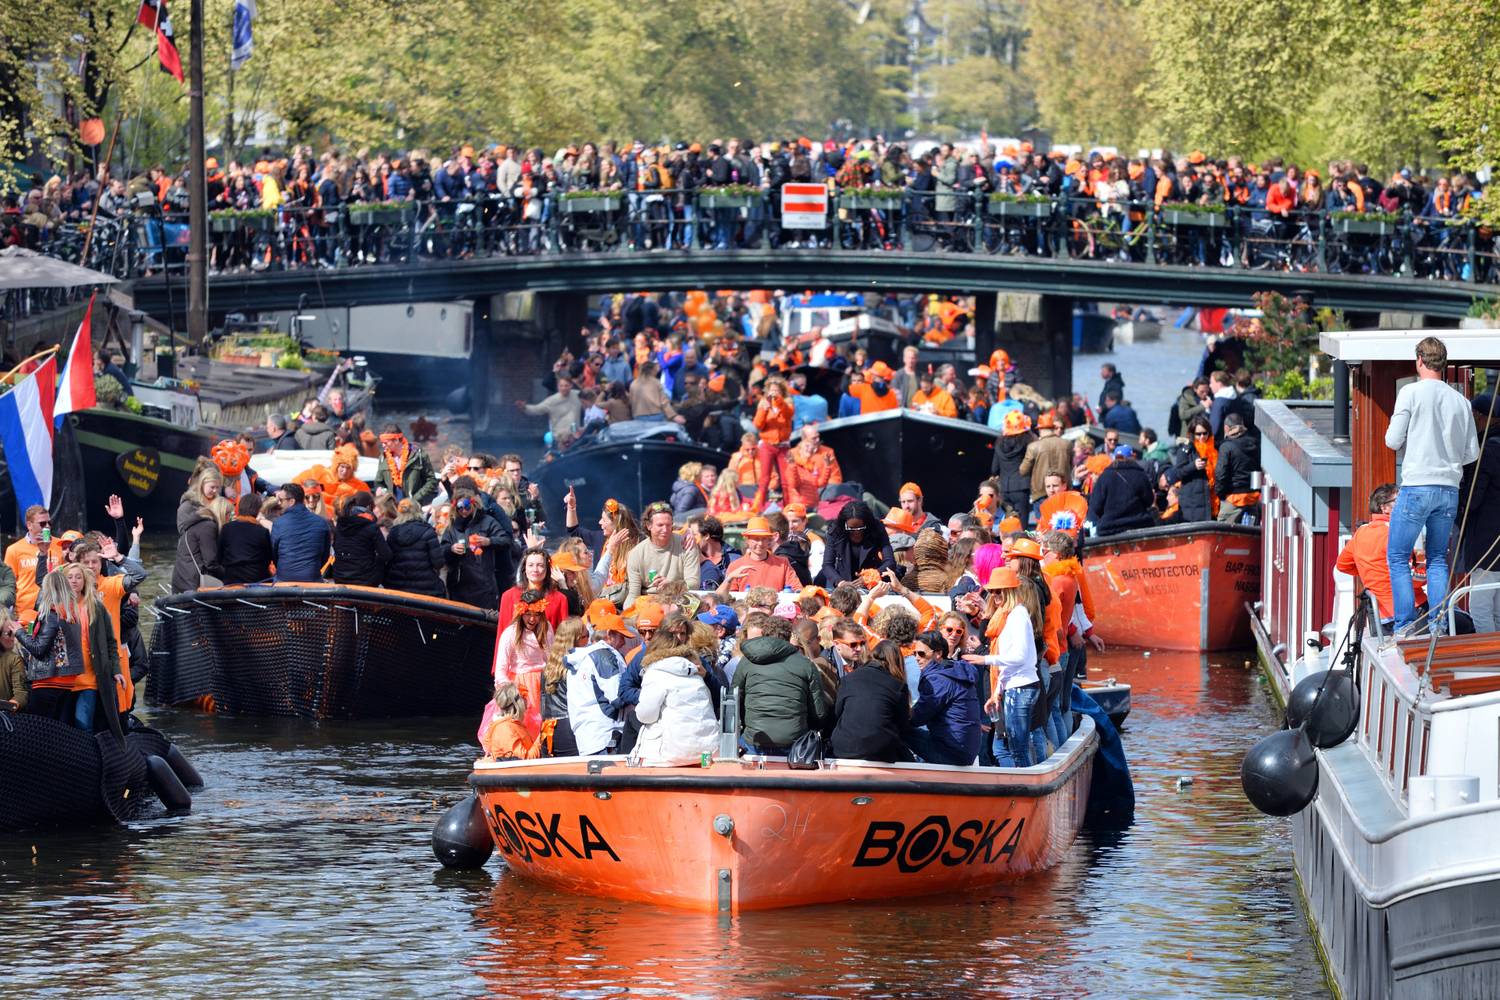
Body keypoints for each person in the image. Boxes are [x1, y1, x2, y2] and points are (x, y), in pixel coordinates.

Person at [1386, 336, 1479, 633]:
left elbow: (1392, 440)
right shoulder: (1461, 402)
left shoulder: (1410, 393)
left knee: (1398, 557)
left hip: (1417, 485)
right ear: (1444, 364)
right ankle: (1438, 627)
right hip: (1449, 489)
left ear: (1419, 361)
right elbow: (1471, 453)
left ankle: (1404, 627)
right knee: (1438, 559)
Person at [8, 565, 123, 736]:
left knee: (49, 727)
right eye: (70, 577)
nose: (74, 581)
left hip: (58, 678)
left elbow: (38, 648)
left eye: (78, 577)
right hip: (67, 679)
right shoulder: (68, 613)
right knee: (61, 726)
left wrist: (19, 632)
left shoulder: (57, 614)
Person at [970, 566, 1046, 767]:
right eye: (992, 591)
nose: (994, 596)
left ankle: (1024, 783)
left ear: (1010, 591)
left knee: (1018, 748)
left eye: (999, 591)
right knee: (1011, 747)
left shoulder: (1018, 615)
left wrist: (985, 660)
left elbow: (1019, 657)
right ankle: (1021, 781)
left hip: (1021, 688)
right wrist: (996, 693)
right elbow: (1009, 663)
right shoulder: (1008, 615)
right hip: (1014, 687)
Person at [734, 613, 830, 754]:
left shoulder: (746, 661)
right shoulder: (805, 664)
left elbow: (734, 701)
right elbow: (819, 713)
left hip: (754, 740)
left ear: (764, 634)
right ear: (789, 636)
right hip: (793, 744)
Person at [1336, 484, 1425, 627]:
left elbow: (1342, 565)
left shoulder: (1361, 532)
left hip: (1380, 616)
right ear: (1384, 508)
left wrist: (1373, 572)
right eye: (1400, 500)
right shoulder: (1395, 532)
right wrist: (1431, 571)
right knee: (1461, 625)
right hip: (1410, 611)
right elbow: (1411, 579)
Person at [634, 629, 721, 765]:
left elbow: (646, 715)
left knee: (635, 721)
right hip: (708, 751)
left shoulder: (655, 673)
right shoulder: (695, 671)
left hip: (672, 753)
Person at [904, 630, 982, 765]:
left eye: (921, 654)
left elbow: (918, 716)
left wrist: (895, 716)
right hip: (964, 750)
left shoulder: (938, 679)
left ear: (938, 654)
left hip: (951, 751)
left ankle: (902, 775)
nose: (916, 658)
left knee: (896, 728)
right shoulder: (954, 671)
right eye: (914, 653)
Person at [828, 638, 910, 762]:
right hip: (880, 751)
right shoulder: (898, 686)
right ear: (897, 662)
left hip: (843, 748)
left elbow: (837, 713)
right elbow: (903, 725)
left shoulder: (849, 679)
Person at [1461, 394, 1500, 633]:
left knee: (1480, 607)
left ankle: (1491, 653)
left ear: (1481, 417)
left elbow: (1473, 499)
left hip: (1486, 542)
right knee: (1497, 609)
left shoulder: (1486, 451)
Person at [567, 614, 631, 754]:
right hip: (606, 736)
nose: (624, 643)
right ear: (609, 634)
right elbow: (617, 697)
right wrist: (637, 693)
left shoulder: (581, 658)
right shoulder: (603, 655)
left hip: (587, 738)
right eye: (621, 637)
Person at [496, 588, 552, 737]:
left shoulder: (547, 629)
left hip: (543, 684)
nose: (532, 619)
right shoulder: (510, 633)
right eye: (528, 614)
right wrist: (511, 693)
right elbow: (500, 670)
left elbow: (551, 660)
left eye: (536, 615)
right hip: (520, 687)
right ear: (521, 613)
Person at [441, 489, 509, 609]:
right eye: (460, 507)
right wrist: (451, 549)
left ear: (473, 504)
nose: (464, 510)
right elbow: (442, 550)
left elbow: (506, 540)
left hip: (483, 582)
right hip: (460, 584)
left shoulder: (487, 521)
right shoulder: (452, 526)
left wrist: (489, 541)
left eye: (467, 507)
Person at [623, 501, 701, 604]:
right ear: (648, 525)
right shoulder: (636, 554)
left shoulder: (687, 545)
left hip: (679, 601)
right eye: (660, 525)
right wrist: (628, 612)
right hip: (649, 603)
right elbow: (634, 594)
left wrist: (672, 585)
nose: (665, 529)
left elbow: (694, 584)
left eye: (668, 525)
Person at [817, 501, 897, 587]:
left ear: (867, 523)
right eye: (851, 529)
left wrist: (871, 576)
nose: (856, 532)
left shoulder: (877, 528)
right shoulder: (835, 531)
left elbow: (890, 561)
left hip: (872, 583)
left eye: (861, 528)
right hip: (843, 581)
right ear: (844, 525)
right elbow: (827, 565)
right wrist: (840, 582)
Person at [540, 618, 589, 756]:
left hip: (548, 728)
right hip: (571, 727)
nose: (589, 641)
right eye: (586, 636)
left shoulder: (547, 669)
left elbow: (542, 704)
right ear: (575, 640)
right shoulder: (577, 668)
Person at [1087, 446, 1158, 535]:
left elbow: (1096, 506)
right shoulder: (1140, 475)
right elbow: (1148, 501)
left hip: (1110, 529)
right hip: (1139, 526)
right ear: (1132, 457)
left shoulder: (1105, 476)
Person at [718, 516, 800, 593]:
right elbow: (728, 597)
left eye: (764, 539)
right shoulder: (735, 566)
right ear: (747, 540)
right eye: (756, 539)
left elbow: (797, 590)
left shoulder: (783, 564)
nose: (760, 543)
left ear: (769, 540)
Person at [383, 499, 446, 597]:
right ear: (418, 511)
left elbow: (388, 560)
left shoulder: (393, 533)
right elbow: (438, 563)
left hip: (397, 587)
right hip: (426, 588)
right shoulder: (428, 531)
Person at [271, 483, 332, 582]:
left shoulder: (279, 523)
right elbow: (325, 554)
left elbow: (274, 553)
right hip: (312, 578)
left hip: (284, 579)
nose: (279, 503)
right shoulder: (321, 522)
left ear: (291, 501)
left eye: (281, 500)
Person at [5, 505, 55, 624]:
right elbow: (8, 584)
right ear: (29, 525)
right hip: (25, 616)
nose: (47, 526)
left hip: (54, 614)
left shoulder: (59, 545)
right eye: (42, 523)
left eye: (49, 523)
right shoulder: (14, 550)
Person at [330, 490, 392, 587]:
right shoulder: (371, 527)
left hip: (340, 578)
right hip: (366, 580)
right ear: (369, 507)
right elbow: (386, 555)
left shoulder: (339, 526)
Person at [499, 548, 570, 628]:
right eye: (531, 565)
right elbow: (502, 630)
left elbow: (563, 633)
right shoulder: (508, 596)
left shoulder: (560, 599)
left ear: (547, 569)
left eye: (540, 565)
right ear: (524, 569)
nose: (535, 569)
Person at [751, 376, 794, 508]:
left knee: (786, 479)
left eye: (777, 390)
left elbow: (788, 414)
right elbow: (758, 425)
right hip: (767, 445)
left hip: (783, 446)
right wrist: (764, 409)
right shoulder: (763, 404)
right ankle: (759, 507)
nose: (774, 393)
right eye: (772, 390)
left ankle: (789, 506)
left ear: (782, 392)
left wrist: (779, 401)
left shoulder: (787, 403)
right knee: (764, 478)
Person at [479, 681, 550, 760]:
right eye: (524, 698)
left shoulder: (513, 725)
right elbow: (524, 759)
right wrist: (542, 737)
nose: (527, 702)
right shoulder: (505, 729)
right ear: (517, 704)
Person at [172, 494, 228, 593]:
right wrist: (228, 574)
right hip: (193, 584)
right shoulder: (208, 527)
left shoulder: (197, 525)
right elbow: (211, 563)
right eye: (229, 514)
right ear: (221, 513)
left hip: (181, 580)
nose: (230, 518)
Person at [1214, 413, 1261, 523]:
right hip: (1252, 498)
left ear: (1226, 428)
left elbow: (1220, 474)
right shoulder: (1254, 444)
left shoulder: (1226, 447)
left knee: (1224, 531)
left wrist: (1220, 495)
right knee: (1250, 532)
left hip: (1233, 499)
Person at [374, 425, 438, 505]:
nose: (383, 445)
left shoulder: (418, 455)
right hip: (393, 507)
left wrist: (415, 499)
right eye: (382, 443)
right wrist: (380, 490)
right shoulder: (383, 458)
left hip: (414, 507)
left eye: (386, 442)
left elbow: (431, 481)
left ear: (396, 440)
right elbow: (378, 482)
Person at [783, 424, 843, 508]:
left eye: (818, 437)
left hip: (824, 493)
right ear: (804, 439)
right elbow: (790, 483)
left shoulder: (827, 452)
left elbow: (835, 478)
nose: (818, 440)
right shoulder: (792, 455)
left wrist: (828, 494)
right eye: (814, 438)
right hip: (800, 497)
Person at [219, 493, 274, 584]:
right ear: (258, 510)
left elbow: (220, 556)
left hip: (231, 578)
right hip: (256, 578)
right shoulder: (262, 531)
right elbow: (268, 558)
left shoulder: (227, 528)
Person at [0, 608, 27, 711]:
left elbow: (21, 693)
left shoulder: (14, 659)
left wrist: (11, 705)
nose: (13, 638)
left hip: (4, 715)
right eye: (8, 633)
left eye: (14, 633)